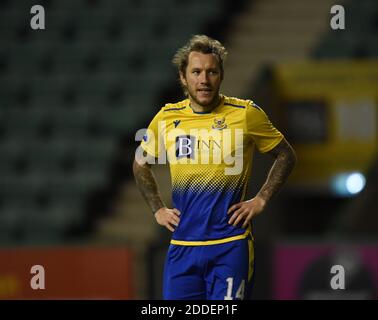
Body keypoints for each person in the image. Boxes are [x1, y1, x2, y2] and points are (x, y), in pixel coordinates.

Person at [133, 35, 296, 300]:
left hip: (230, 246)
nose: (204, 80)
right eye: (196, 72)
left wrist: (261, 199)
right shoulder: (166, 118)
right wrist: (157, 208)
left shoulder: (245, 114)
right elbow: (140, 164)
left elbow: (286, 155)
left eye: (212, 72)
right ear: (183, 77)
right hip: (183, 247)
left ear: (221, 76)